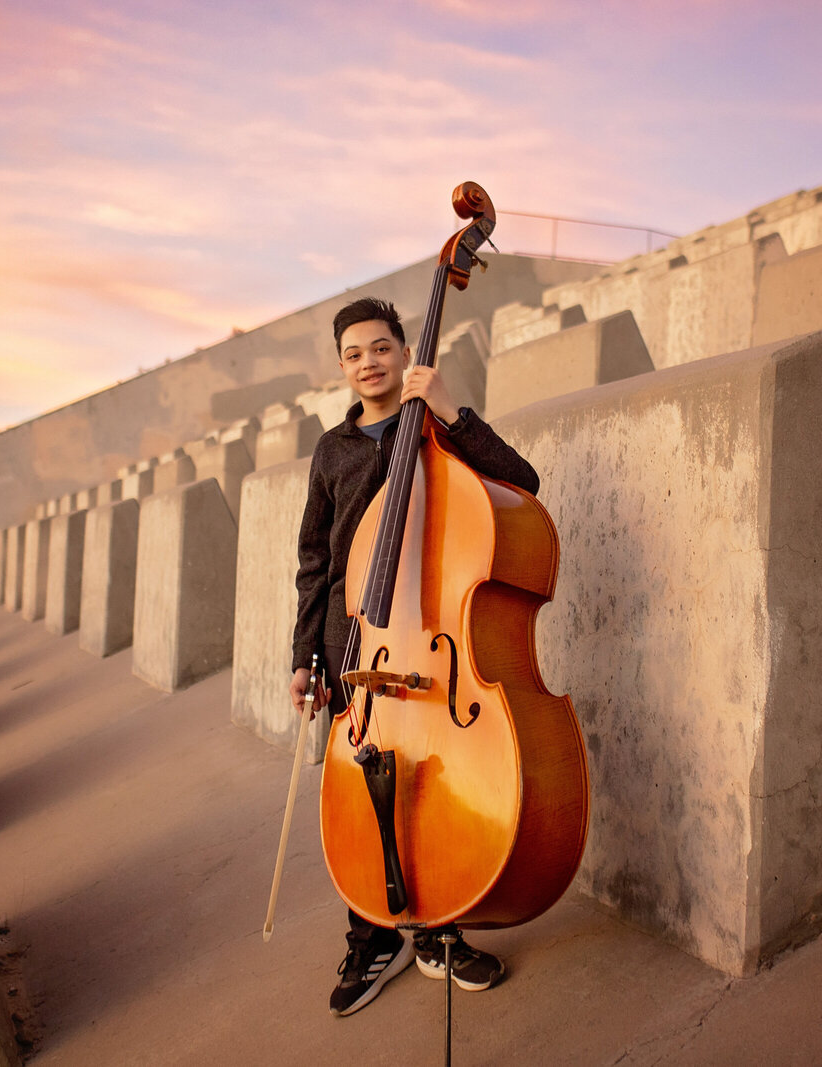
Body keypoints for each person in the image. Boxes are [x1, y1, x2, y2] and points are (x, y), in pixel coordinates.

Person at [289, 296, 541, 1017]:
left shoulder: (432, 428)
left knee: (433, 784)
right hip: (356, 646)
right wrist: (304, 655)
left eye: (381, 348)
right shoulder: (331, 452)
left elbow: (520, 480)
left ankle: (439, 926)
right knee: (365, 795)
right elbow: (314, 561)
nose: (368, 362)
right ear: (341, 367)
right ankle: (371, 934)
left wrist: (450, 410)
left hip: (431, 643)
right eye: (353, 353)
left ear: (405, 351)